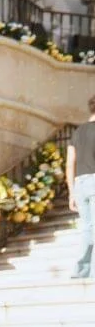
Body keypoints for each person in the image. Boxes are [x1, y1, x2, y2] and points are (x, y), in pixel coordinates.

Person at [67, 96, 95, 279]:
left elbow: (70, 163)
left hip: (80, 183)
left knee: (87, 227)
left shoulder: (77, 132)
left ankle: (81, 270)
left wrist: (71, 192)